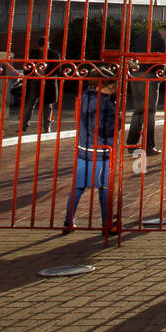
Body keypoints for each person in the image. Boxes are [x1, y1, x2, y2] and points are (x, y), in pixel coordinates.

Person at [63, 71, 119, 234]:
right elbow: (108, 128)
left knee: (79, 186)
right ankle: (106, 223)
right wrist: (118, 120)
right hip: (101, 150)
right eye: (112, 85)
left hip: (84, 148)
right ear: (101, 85)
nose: (115, 88)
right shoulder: (105, 104)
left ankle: (68, 221)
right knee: (104, 188)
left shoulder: (86, 97)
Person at [126, 22, 166, 155]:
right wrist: (161, 76)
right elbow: (162, 61)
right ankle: (149, 146)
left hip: (136, 76)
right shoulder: (161, 40)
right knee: (149, 112)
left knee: (138, 111)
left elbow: (131, 56)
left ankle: (131, 144)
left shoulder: (141, 37)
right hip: (149, 77)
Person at [20, 35, 59, 135]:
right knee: (29, 104)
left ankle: (47, 127)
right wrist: (33, 73)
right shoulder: (34, 53)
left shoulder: (54, 54)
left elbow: (57, 69)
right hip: (35, 82)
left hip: (48, 83)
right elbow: (27, 67)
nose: (45, 48)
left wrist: (46, 73)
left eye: (46, 45)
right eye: (42, 46)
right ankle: (23, 126)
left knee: (47, 105)